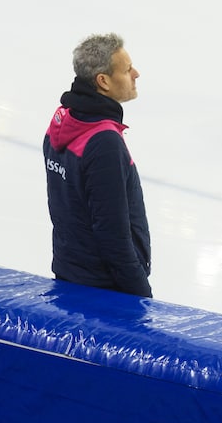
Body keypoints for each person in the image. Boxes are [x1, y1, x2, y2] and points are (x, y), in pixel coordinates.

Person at [44, 33, 152, 297]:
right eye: (127, 70)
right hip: (106, 289)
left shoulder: (60, 123)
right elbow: (113, 236)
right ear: (103, 81)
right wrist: (141, 296)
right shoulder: (104, 142)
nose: (136, 74)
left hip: (70, 273)